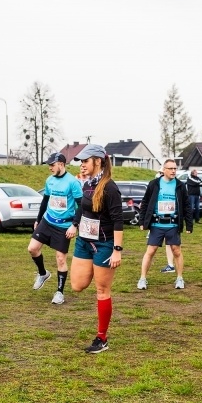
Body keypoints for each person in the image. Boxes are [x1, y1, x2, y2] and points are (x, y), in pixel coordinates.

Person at [69, 144, 124, 353]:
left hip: (104, 244)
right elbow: (83, 210)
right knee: (77, 285)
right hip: (84, 242)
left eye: (85, 161)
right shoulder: (87, 184)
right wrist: (74, 225)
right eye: (81, 162)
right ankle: (96, 269)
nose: (82, 165)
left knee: (102, 290)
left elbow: (118, 220)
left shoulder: (110, 187)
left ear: (98, 161)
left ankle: (102, 338)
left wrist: (117, 249)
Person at [28, 152, 83, 304]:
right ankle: (43, 273)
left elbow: (81, 206)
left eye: (52, 165)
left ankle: (59, 292)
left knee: (60, 259)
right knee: (32, 248)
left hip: (64, 225)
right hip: (47, 221)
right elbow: (45, 201)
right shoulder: (49, 180)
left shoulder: (73, 182)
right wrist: (38, 220)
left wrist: (74, 225)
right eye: (49, 165)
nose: (50, 168)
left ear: (61, 164)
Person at [136, 159, 192, 290]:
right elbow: (145, 202)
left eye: (175, 168)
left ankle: (179, 278)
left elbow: (187, 205)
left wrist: (189, 224)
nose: (173, 171)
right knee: (151, 250)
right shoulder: (154, 184)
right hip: (157, 224)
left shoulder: (180, 185)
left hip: (173, 224)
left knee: (176, 251)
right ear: (164, 170)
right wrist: (142, 221)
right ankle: (142, 279)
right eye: (170, 168)